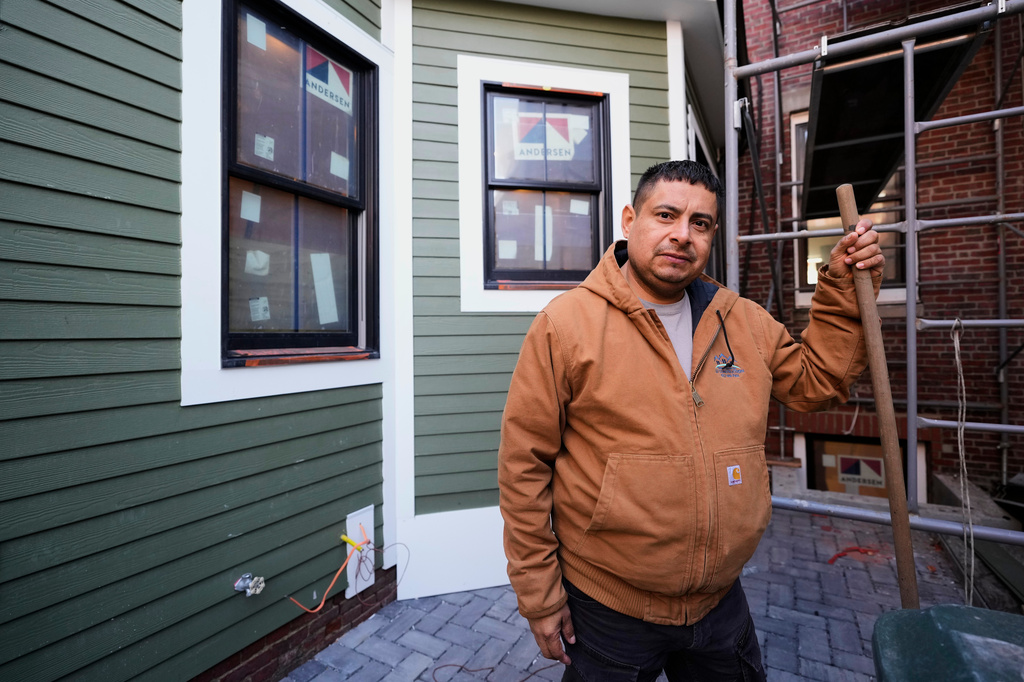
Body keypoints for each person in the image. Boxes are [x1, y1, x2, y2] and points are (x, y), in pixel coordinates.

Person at [497, 160, 884, 681]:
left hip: (720, 604)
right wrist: (540, 598)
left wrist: (844, 286)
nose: (683, 234)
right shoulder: (566, 326)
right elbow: (524, 469)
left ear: (712, 235)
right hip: (609, 608)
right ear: (630, 221)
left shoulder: (742, 320)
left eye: (700, 223)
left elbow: (817, 381)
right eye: (666, 215)